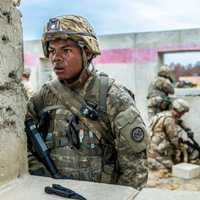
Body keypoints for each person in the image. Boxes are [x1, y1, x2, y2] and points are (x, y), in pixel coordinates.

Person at [26, 15, 148, 189]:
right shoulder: (43, 97)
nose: (56, 58)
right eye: (52, 51)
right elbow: (21, 142)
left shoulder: (112, 97)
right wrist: (40, 173)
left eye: (66, 50)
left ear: (87, 52)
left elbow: (135, 170)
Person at [148, 98, 198, 174]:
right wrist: (184, 148)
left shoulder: (163, 114)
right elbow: (174, 141)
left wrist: (187, 129)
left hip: (150, 150)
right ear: (180, 110)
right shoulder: (169, 120)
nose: (183, 114)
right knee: (173, 170)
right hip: (159, 154)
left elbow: (179, 121)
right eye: (183, 112)